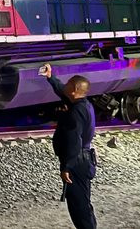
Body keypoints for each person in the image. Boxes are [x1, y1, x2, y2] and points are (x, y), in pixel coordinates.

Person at [40, 64, 98, 229]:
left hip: (77, 163)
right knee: (82, 204)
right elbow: (62, 91)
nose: (64, 85)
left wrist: (67, 166)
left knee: (79, 207)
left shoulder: (76, 112)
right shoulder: (82, 104)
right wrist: (50, 77)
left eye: (68, 84)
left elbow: (74, 141)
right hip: (82, 160)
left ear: (74, 89)